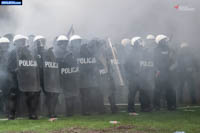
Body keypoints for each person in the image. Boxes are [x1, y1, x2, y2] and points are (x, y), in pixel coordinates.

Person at [7, 35, 41, 120]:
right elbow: (8, 66)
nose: (22, 42)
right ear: (15, 42)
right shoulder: (12, 52)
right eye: (20, 41)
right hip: (15, 78)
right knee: (13, 95)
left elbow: (31, 63)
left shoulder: (28, 52)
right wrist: (14, 70)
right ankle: (11, 114)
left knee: (30, 95)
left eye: (23, 41)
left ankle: (32, 114)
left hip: (26, 78)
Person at [32, 35, 61, 118]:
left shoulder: (48, 52)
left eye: (42, 41)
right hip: (35, 77)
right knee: (35, 95)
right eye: (38, 41)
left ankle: (51, 112)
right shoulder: (31, 52)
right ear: (35, 43)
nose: (40, 43)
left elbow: (53, 63)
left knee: (51, 94)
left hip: (46, 77)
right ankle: (34, 113)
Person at [153, 34, 176, 111]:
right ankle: (156, 106)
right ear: (160, 41)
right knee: (158, 90)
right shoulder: (156, 50)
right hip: (159, 73)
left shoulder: (170, 49)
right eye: (164, 40)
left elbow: (173, 60)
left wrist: (171, 67)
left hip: (168, 73)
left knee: (170, 89)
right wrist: (156, 70)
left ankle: (171, 105)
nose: (166, 41)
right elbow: (153, 62)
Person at [59, 35, 80, 116]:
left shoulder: (70, 54)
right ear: (59, 44)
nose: (65, 45)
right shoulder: (57, 53)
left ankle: (72, 112)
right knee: (68, 96)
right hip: (65, 77)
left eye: (66, 43)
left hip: (72, 76)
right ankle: (68, 112)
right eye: (63, 43)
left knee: (73, 95)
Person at [0, 37, 11, 115]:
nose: (4, 46)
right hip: (1, 78)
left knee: (7, 95)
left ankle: (7, 111)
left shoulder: (10, 54)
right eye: (3, 44)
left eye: (6, 44)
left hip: (8, 78)